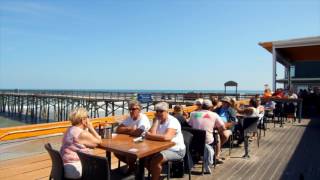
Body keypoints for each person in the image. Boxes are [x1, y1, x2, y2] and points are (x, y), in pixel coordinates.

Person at [145, 102, 186, 180]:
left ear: (167, 111)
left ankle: (155, 177)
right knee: (145, 158)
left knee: (156, 159)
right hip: (162, 148)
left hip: (176, 150)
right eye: (157, 111)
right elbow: (151, 134)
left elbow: (167, 137)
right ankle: (156, 175)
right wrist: (156, 121)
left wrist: (150, 136)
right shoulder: (158, 120)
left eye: (161, 111)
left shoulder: (172, 121)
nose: (158, 113)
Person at [60, 108, 102, 179]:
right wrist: (91, 128)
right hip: (74, 169)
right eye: (88, 117)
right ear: (83, 120)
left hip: (63, 166)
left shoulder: (69, 129)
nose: (89, 119)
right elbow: (99, 142)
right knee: (102, 166)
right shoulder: (82, 134)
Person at [188, 99, 228, 171]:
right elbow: (223, 127)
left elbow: (189, 125)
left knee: (204, 138)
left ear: (202, 106)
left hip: (194, 141)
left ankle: (197, 157)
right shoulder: (214, 115)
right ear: (211, 107)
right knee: (217, 136)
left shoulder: (193, 114)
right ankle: (216, 156)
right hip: (207, 141)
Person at [115, 100, 151, 173]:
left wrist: (126, 131)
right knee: (116, 151)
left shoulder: (143, 118)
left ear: (139, 110)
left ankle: (133, 168)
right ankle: (133, 167)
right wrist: (130, 128)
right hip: (130, 141)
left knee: (129, 153)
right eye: (130, 109)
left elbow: (137, 133)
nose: (131, 111)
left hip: (143, 142)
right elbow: (118, 130)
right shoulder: (129, 118)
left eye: (134, 109)